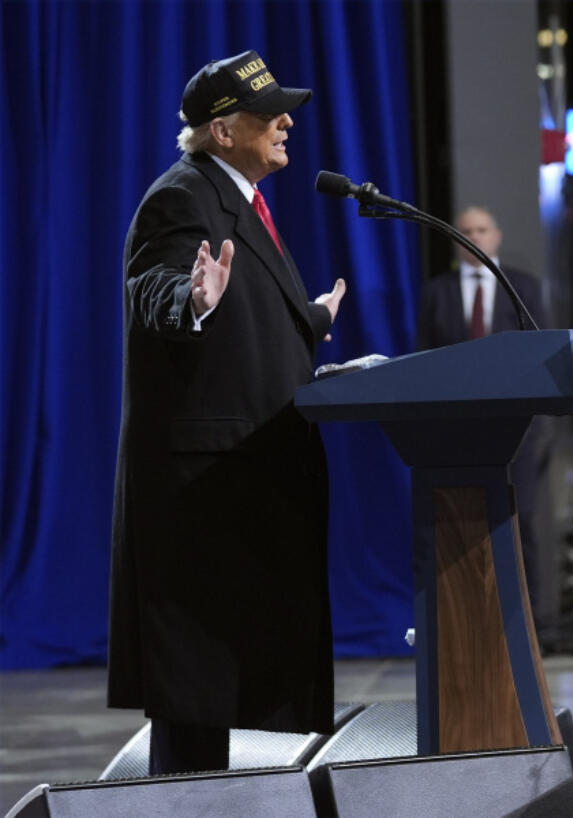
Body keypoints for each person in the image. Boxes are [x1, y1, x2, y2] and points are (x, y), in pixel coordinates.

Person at [108, 50, 346, 776]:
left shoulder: (237, 197)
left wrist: (307, 323)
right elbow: (154, 286)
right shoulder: (182, 196)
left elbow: (242, 331)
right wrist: (192, 301)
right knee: (194, 693)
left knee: (213, 691)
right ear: (220, 131)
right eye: (268, 112)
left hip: (247, 478)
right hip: (205, 491)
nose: (285, 121)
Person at [416, 206, 549, 616]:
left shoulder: (521, 286)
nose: (473, 236)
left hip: (516, 430)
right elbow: (423, 360)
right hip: (457, 432)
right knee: (462, 525)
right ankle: (471, 616)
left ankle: (529, 621)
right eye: (465, 230)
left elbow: (540, 351)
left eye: (482, 229)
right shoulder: (436, 292)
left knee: (518, 523)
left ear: (497, 236)